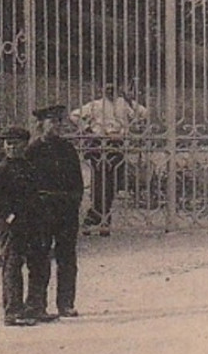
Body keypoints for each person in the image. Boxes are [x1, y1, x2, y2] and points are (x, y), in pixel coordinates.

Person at [26, 104, 86, 317]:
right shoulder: (32, 151)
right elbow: (26, 185)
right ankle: (37, 304)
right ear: (42, 124)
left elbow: (77, 183)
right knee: (39, 257)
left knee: (67, 258)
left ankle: (66, 303)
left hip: (65, 212)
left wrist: (73, 204)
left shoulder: (67, 149)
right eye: (53, 121)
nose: (57, 126)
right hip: (42, 212)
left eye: (60, 121)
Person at [0, 125, 48, 327]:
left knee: (38, 264)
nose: (11, 148)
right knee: (12, 266)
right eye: (8, 144)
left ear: (25, 145)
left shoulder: (29, 167)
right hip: (13, 226)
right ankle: (13, 311)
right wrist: (11, 218)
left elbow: (36, 195)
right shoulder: (1, 170)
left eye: (16, 143)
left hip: (32, 223)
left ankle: (35, 307)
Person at [70, 82, 148, 235]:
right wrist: (88, 130)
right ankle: (100, 220)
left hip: (117, 145)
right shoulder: (96, 105)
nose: (111, 90)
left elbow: (144, 114)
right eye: (107, 88)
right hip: (100, 145)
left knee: (113, 184)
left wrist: (130, 100)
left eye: (114, 87)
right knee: (100, 183)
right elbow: (74, 115)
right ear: (102, 89)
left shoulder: (124, 104)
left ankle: (96, 218)